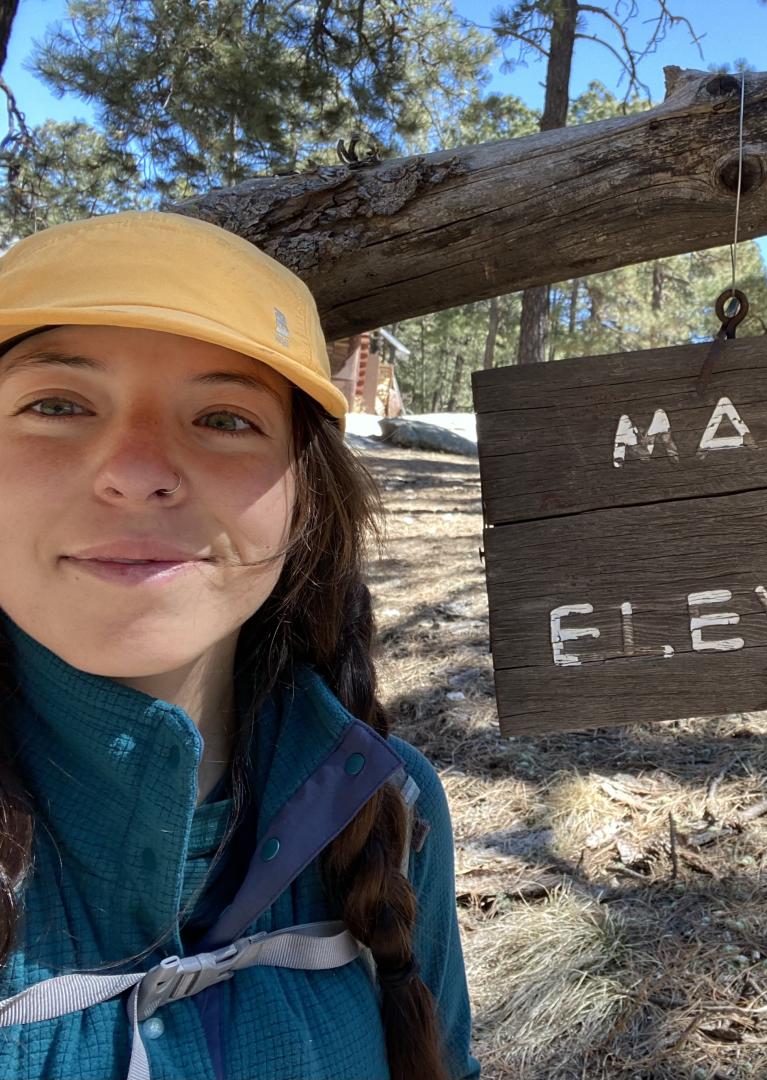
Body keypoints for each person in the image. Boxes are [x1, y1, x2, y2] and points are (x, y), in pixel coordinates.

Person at [0, 211, 481, 1079]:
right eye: (57, 405)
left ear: (305, 500)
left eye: (224, 419)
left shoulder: (392, 806)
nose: (139, 469)